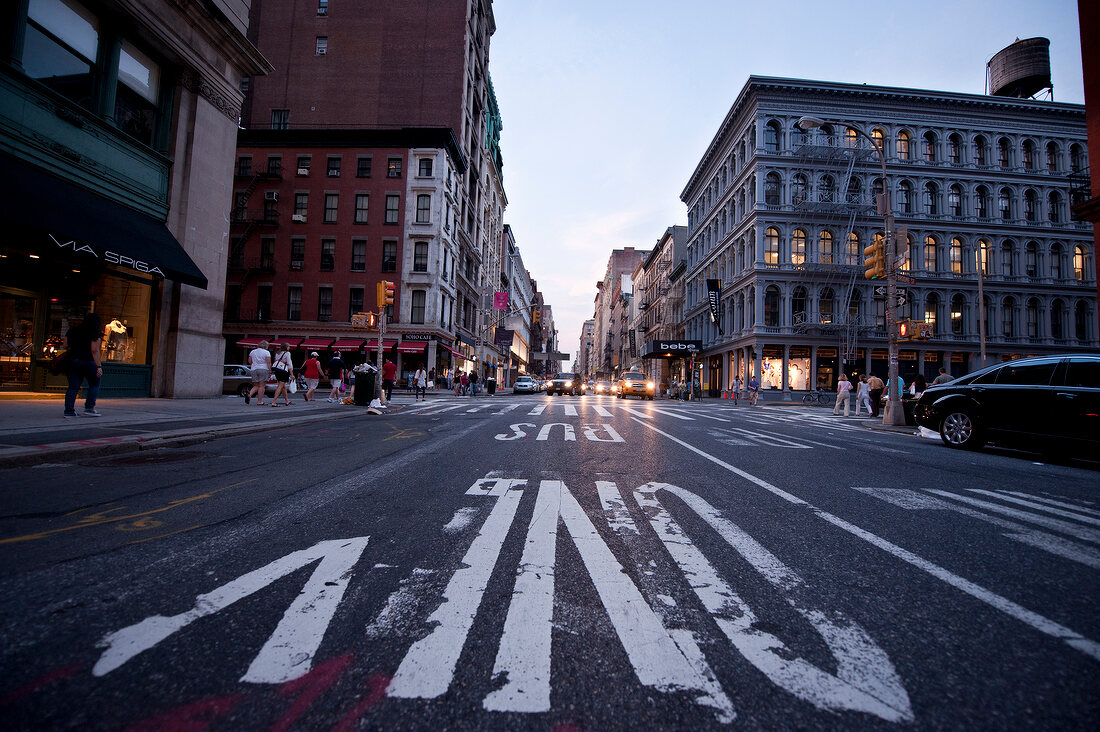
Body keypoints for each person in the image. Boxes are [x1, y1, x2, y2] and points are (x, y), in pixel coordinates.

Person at [63, 312, 104, 417]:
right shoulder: (95, 333)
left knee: (73, 387)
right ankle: (89, 408)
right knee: (94, 385)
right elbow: (94, 350)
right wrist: (99, 366)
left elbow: (65, 345)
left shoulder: (72, 330)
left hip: (74, 361)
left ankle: (69, 411)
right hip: (89, 362)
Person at [245, 339, 271, 406]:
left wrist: (254, 365)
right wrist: (270, 370)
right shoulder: (266, 352)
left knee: (256, 385)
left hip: (254, 369)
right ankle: (259, 401)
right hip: (263, 369)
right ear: (266, 346)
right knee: (262, 386)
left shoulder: (253, 351)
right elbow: (268, 362)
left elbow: (249, 361)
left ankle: (249, 395)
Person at [270, 342, 294, 407]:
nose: (289, 347)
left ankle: (287, 400)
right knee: (280, 386)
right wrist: (292, 374)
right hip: (283, 370)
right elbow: (289, 363)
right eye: (288, 346)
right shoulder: (287, 353)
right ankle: (274, 402)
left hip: (277, 370)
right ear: (286, 347)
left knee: (283, 386)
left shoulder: (278, 353)